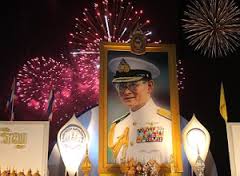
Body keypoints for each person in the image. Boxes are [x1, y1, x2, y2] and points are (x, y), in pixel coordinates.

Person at [108, 57, 173, 165]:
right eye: (122, 86)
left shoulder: (169, 122)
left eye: (133, 84)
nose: (126, 91)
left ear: (149, 86)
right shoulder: (118, 126)